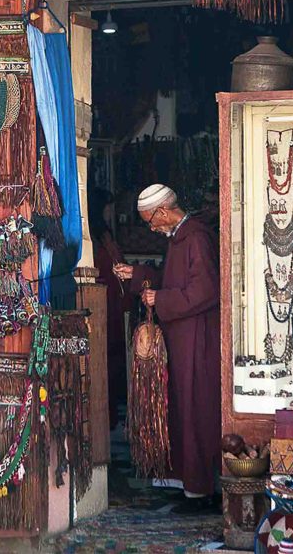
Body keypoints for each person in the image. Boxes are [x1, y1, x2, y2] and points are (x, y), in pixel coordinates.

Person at [114, 184, 221, 513]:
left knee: (195, 410)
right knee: (179, 409)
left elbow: (205, 290)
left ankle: (202, 489)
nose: (151, 227)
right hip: (181, 337)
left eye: (150, 221)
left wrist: (161, 298)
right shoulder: (181, 237)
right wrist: (141, 275)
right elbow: (175, 279)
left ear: (162, 212)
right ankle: (187, 484)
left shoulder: (196, 237)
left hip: (196, 339)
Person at [89, 187, 134, 431]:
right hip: (104, 303)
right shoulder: (96, 240)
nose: (110, 212)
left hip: (115, 303)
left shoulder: (105, 237)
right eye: (107, 207)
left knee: (115, 357)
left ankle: (114, 413)